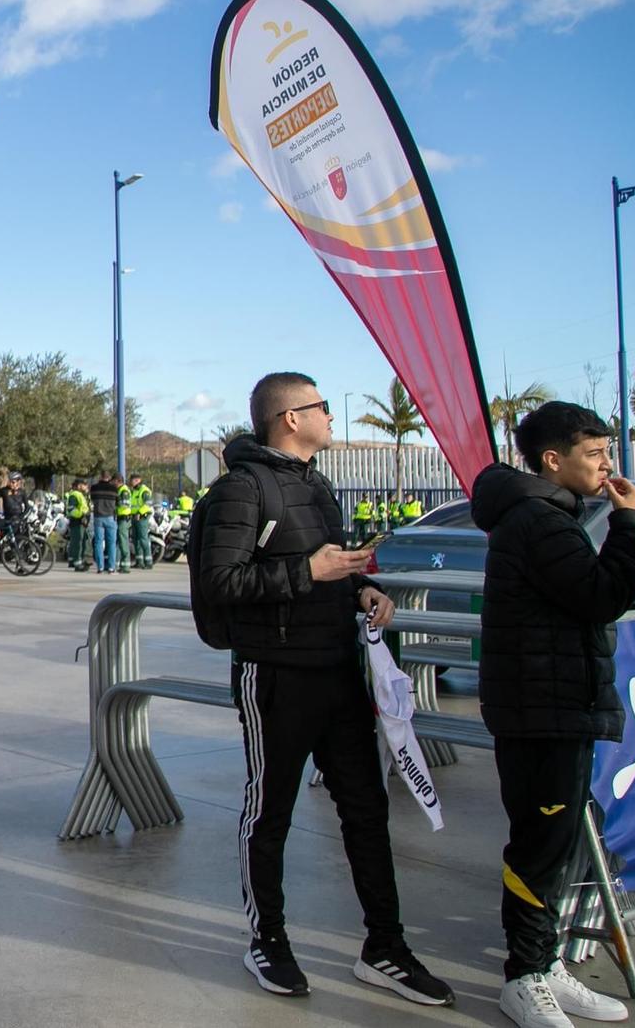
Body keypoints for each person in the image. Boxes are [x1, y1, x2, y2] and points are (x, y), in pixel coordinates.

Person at [191, 372, 452, 1006]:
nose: (332, 417)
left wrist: (362, 589)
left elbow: (327, 572)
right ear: (289, 418)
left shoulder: (318, 485)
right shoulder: (239, 491)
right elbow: (219, 584)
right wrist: (307, 570)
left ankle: (384, 947)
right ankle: (268, 941)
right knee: (268, 811)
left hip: (339, 672)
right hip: (274, 675)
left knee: (367, 810)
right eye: (321, 407)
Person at [471, 403, 635, 1028]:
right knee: (540, 848)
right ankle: (523, 977)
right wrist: (627, 525)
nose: (607, 465)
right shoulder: (539, 521)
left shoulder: (547, 515)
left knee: (559, 841)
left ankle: (544, 965)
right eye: (595, 454)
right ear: (554, 460)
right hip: (540, 712)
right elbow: (602, 595)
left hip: (552, 706)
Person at [90, 473, 121, 575]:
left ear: (100, 477)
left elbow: (92, 500)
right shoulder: (114, 489)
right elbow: (118, 502)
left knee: (98, 542)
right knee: (111, 543)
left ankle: (100, 567)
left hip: (98, 517)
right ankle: (111, 568)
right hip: (110, 517)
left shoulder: (94, 488)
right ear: (109, 478)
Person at [124, 472, 154, 569]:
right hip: (133, 517)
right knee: (136, 539)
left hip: (142, 517)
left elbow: (148, 504)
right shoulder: (133, 491)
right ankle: (139, 561)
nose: (130, 482)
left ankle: (148, 562)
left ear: (138, 480)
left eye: (132, 480)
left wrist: (139, 513)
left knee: (143, 539)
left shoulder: (144, 491)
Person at [64, 478, 91, 571]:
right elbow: (72, 510)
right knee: (78, 543)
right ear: (79, 485)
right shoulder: (74, 495)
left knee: (80, 542)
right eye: (84, 485)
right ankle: (77, 563)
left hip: (81, 522)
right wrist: (81, 516)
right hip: (77, 522)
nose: (86, 487)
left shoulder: (80, 495)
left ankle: (75, 561)